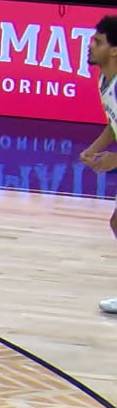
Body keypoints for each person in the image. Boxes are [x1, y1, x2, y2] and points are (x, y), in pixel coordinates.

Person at [84, 16, 117, 316]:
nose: (90, 45)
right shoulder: (105, 80)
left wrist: (113, 159)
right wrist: (94, 150)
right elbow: (114, 125)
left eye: (98, 41)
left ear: (115, 50)